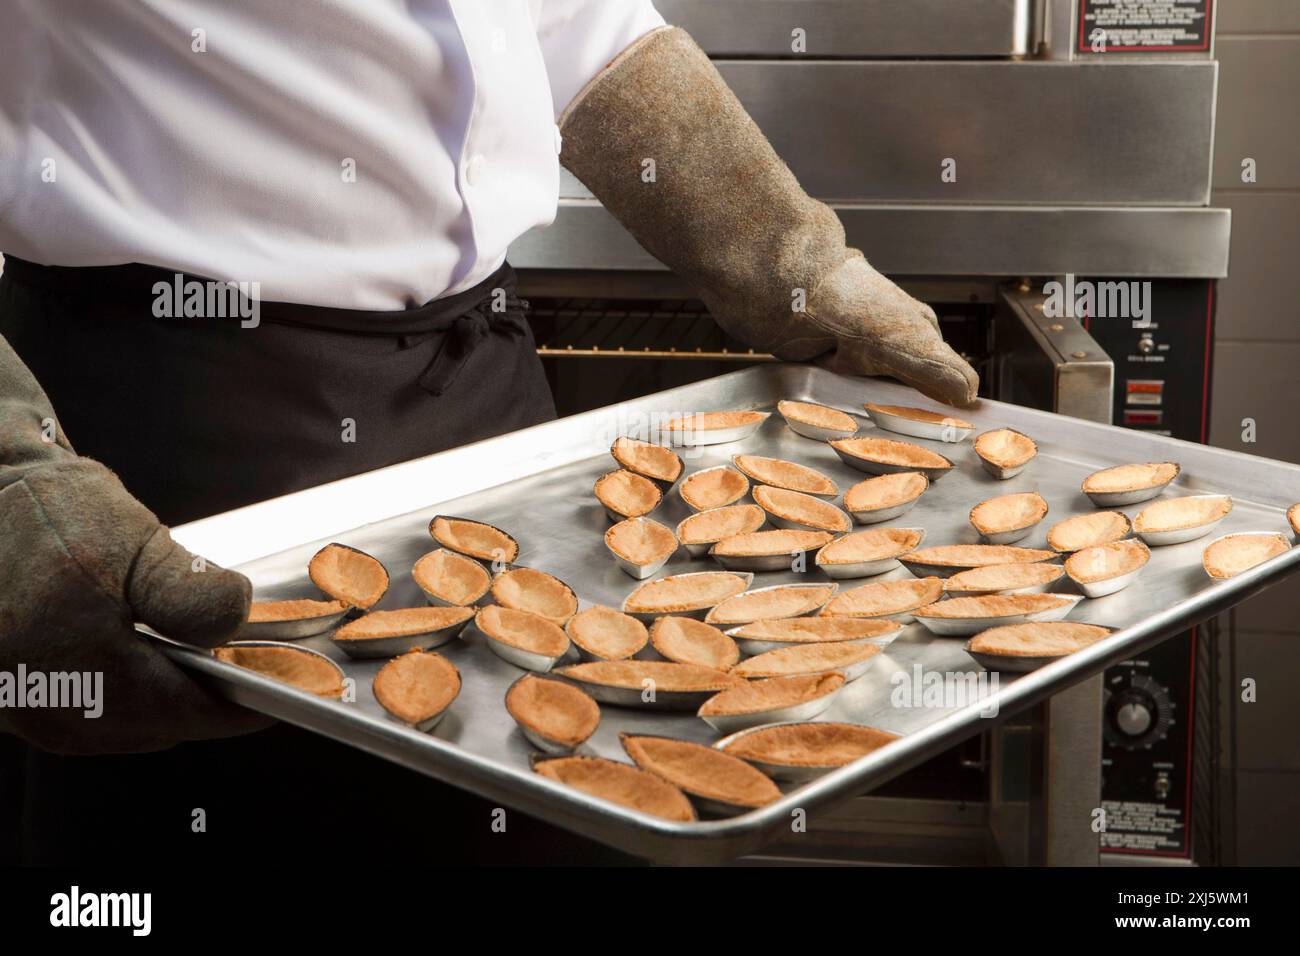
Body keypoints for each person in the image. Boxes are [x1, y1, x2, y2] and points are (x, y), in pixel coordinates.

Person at [0, 1, 977, 864]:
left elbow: (572, 23)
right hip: (179, 428)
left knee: (543, 791)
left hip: (483, 388)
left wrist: (782, 251)